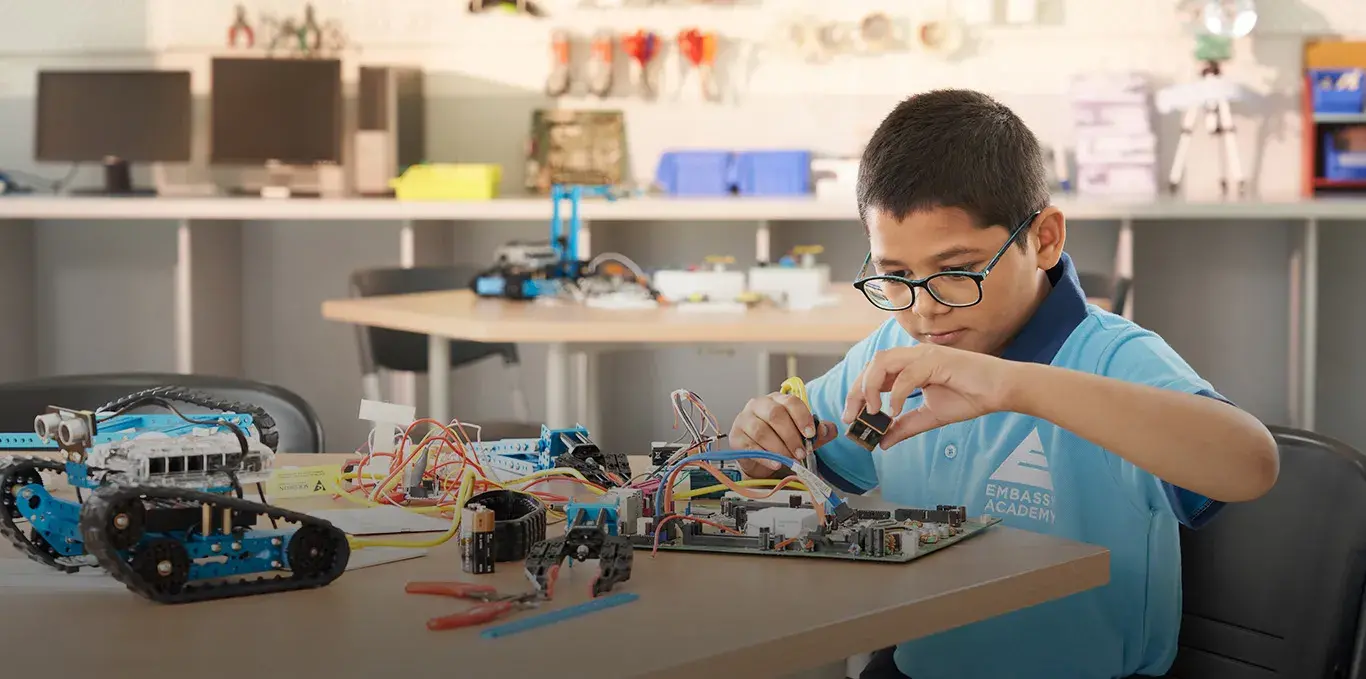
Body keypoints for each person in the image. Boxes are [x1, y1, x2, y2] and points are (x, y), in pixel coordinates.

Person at [729, 89, 1278, 679]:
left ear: (1044, 239)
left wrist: (1013, 384)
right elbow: (791, 465)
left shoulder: (1113, 358)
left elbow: (1251, 463)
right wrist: (762, 446)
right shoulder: (893, 351)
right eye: (897, 275)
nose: (926, 308)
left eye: (958, 270)